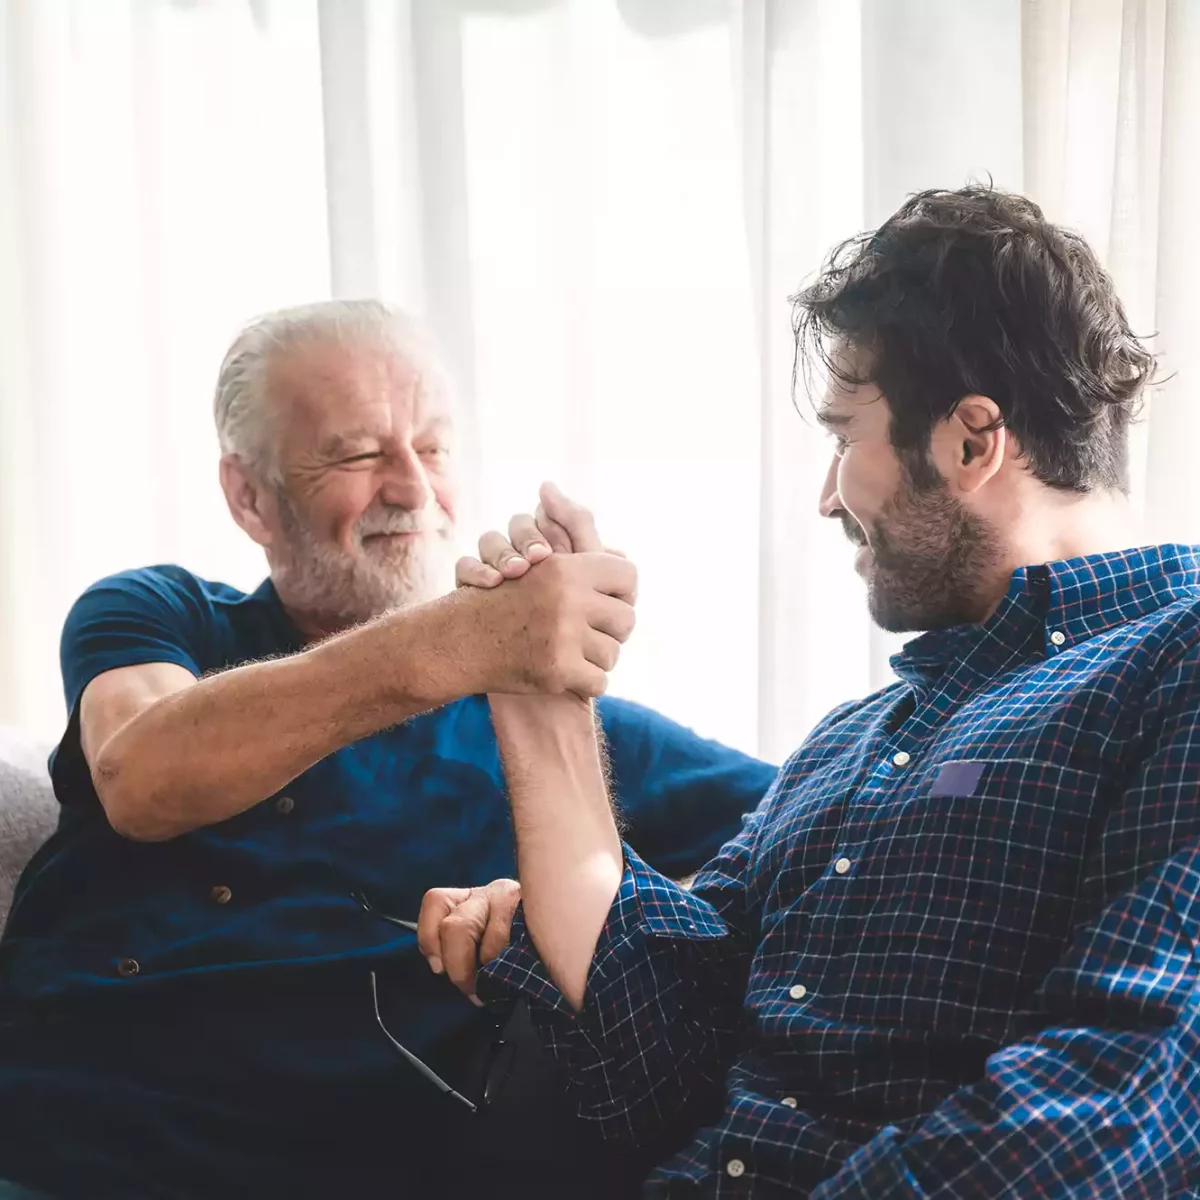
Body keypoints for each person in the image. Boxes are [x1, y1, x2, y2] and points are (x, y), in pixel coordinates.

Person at [422, 187, 1200, 1197]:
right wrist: (540, 700)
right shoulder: (853, 743)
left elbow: (1118, 1097)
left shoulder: (1174, 666)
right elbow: (660, 1059)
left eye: (845, 435)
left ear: (972, 441)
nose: (827, 496)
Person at [0, 301, 776, 1199]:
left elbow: (809, 847)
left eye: (434, 448)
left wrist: (556, 904)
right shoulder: (160, 613)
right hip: (53, 1138)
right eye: (358, 453)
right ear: (250, 495)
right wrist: (460, 643)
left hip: (330, 1163)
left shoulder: (566, 740)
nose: (412, 489)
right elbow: (140, 778)